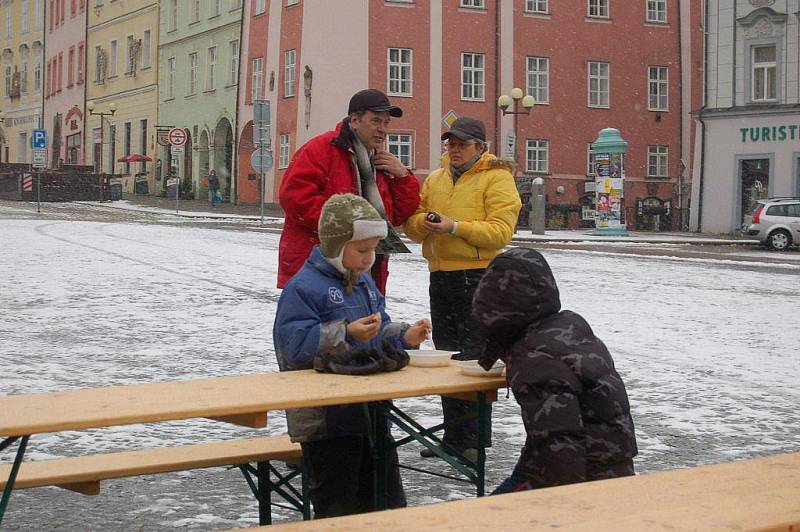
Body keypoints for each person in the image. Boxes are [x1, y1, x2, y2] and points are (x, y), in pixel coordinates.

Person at [273, 193, 432, 518]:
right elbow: (294, 346)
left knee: (385, 503)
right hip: (326, 421)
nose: (369, 258)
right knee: (339, 507)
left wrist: (403, 335)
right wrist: (345, 332)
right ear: (335, 245)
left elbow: (378, 329)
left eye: (373, 249)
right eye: (361, 250)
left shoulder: (363, 284)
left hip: (371, 414)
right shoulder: (303, 288)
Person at [472, 248, 638, 494]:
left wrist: (562, 505)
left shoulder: (535, 359)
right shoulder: (566, 328)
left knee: (480, 520)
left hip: (585, 476)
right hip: (613, 464)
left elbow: (560, 442)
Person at [403, 117, 521, 460]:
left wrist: (455, 227)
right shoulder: (436, 179)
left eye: (462, 144)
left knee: (474, 359)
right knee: (448, 356)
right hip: (441, 276)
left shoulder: (497, 178)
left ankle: (473, 443)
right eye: (450, 144)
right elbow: (412, 223)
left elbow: (500, 232)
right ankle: (454, 438)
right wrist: (422, 224)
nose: (454, 150)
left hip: (479, 277)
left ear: (480, 147)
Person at [277, 88, 420, 294]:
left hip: (368, 268)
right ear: (354, 120)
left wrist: (403, 177)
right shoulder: (321, 149)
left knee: (363, 325)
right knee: (321, 325)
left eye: (386, 122)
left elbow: (397, 215)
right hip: (321, 263)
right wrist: (351, 225)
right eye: (375, 121)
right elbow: (294, 198)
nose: (383, 129)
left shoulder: (380, 161)